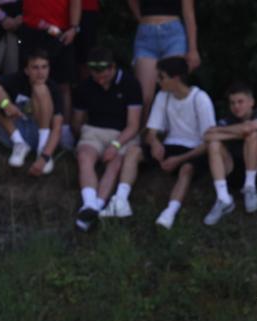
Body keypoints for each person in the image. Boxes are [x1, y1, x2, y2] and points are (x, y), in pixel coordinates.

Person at [72, 47, 144, 230]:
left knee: (115, 163)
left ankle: (96, 206)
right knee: (84, 156)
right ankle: (89, 203)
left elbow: (134, 125)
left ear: (113, 68)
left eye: (103, 75)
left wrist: (115, 144)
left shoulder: (130, 84)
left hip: (123, 134)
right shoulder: (85, 86)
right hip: (94, 131)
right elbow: (77, 122)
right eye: (95, 75)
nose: (100, 80)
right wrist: (81, 138)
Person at [144, 56, 215, 230]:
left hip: (195, 149)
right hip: (171, 145)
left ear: (175, 78)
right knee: (133, 152)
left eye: (162, 77)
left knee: (186, 169)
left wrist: (179, 159)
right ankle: (120, 199)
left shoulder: (200, 99)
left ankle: (170, 212)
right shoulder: (163, 96)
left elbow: (209, 141)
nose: (158, 81)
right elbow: (151, 131)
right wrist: (154, 143)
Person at [203, 82, 257, 220]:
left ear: (251, 102)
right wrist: (239, 133)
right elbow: (207, 136)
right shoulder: (228, 120)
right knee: (213, 144)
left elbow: (249, 128)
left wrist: (220, 131)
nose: (236, 106)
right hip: (235, 174)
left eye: (240, 102)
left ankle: (250, 187)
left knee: (252, 135)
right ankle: (223, 198)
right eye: (232, 103)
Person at [0, 47, 62, 176]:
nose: (40, 72)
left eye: (44, 67)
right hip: (13, 132)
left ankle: (41, 148)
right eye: (35, 68)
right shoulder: (17, 79)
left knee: (41, 89)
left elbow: (57, 127)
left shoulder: (53, 88)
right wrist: (6, 104)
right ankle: (19, 143)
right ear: (26, 70)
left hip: (38, 134)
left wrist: (45, 156)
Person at [17, 0, 80, 148]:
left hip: (60, 30)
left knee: (63, 84)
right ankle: (29, 129)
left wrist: (74, 27)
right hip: (31, 28)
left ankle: (64, 131)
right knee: (29, 80)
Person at [127, 0, 200, 127]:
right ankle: (144, 134)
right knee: (144, 96)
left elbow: (189, 13)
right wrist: (141, 19)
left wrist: (193, 49)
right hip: (146, 34)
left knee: (174, 87)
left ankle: (174, 133)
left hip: (173, 35)